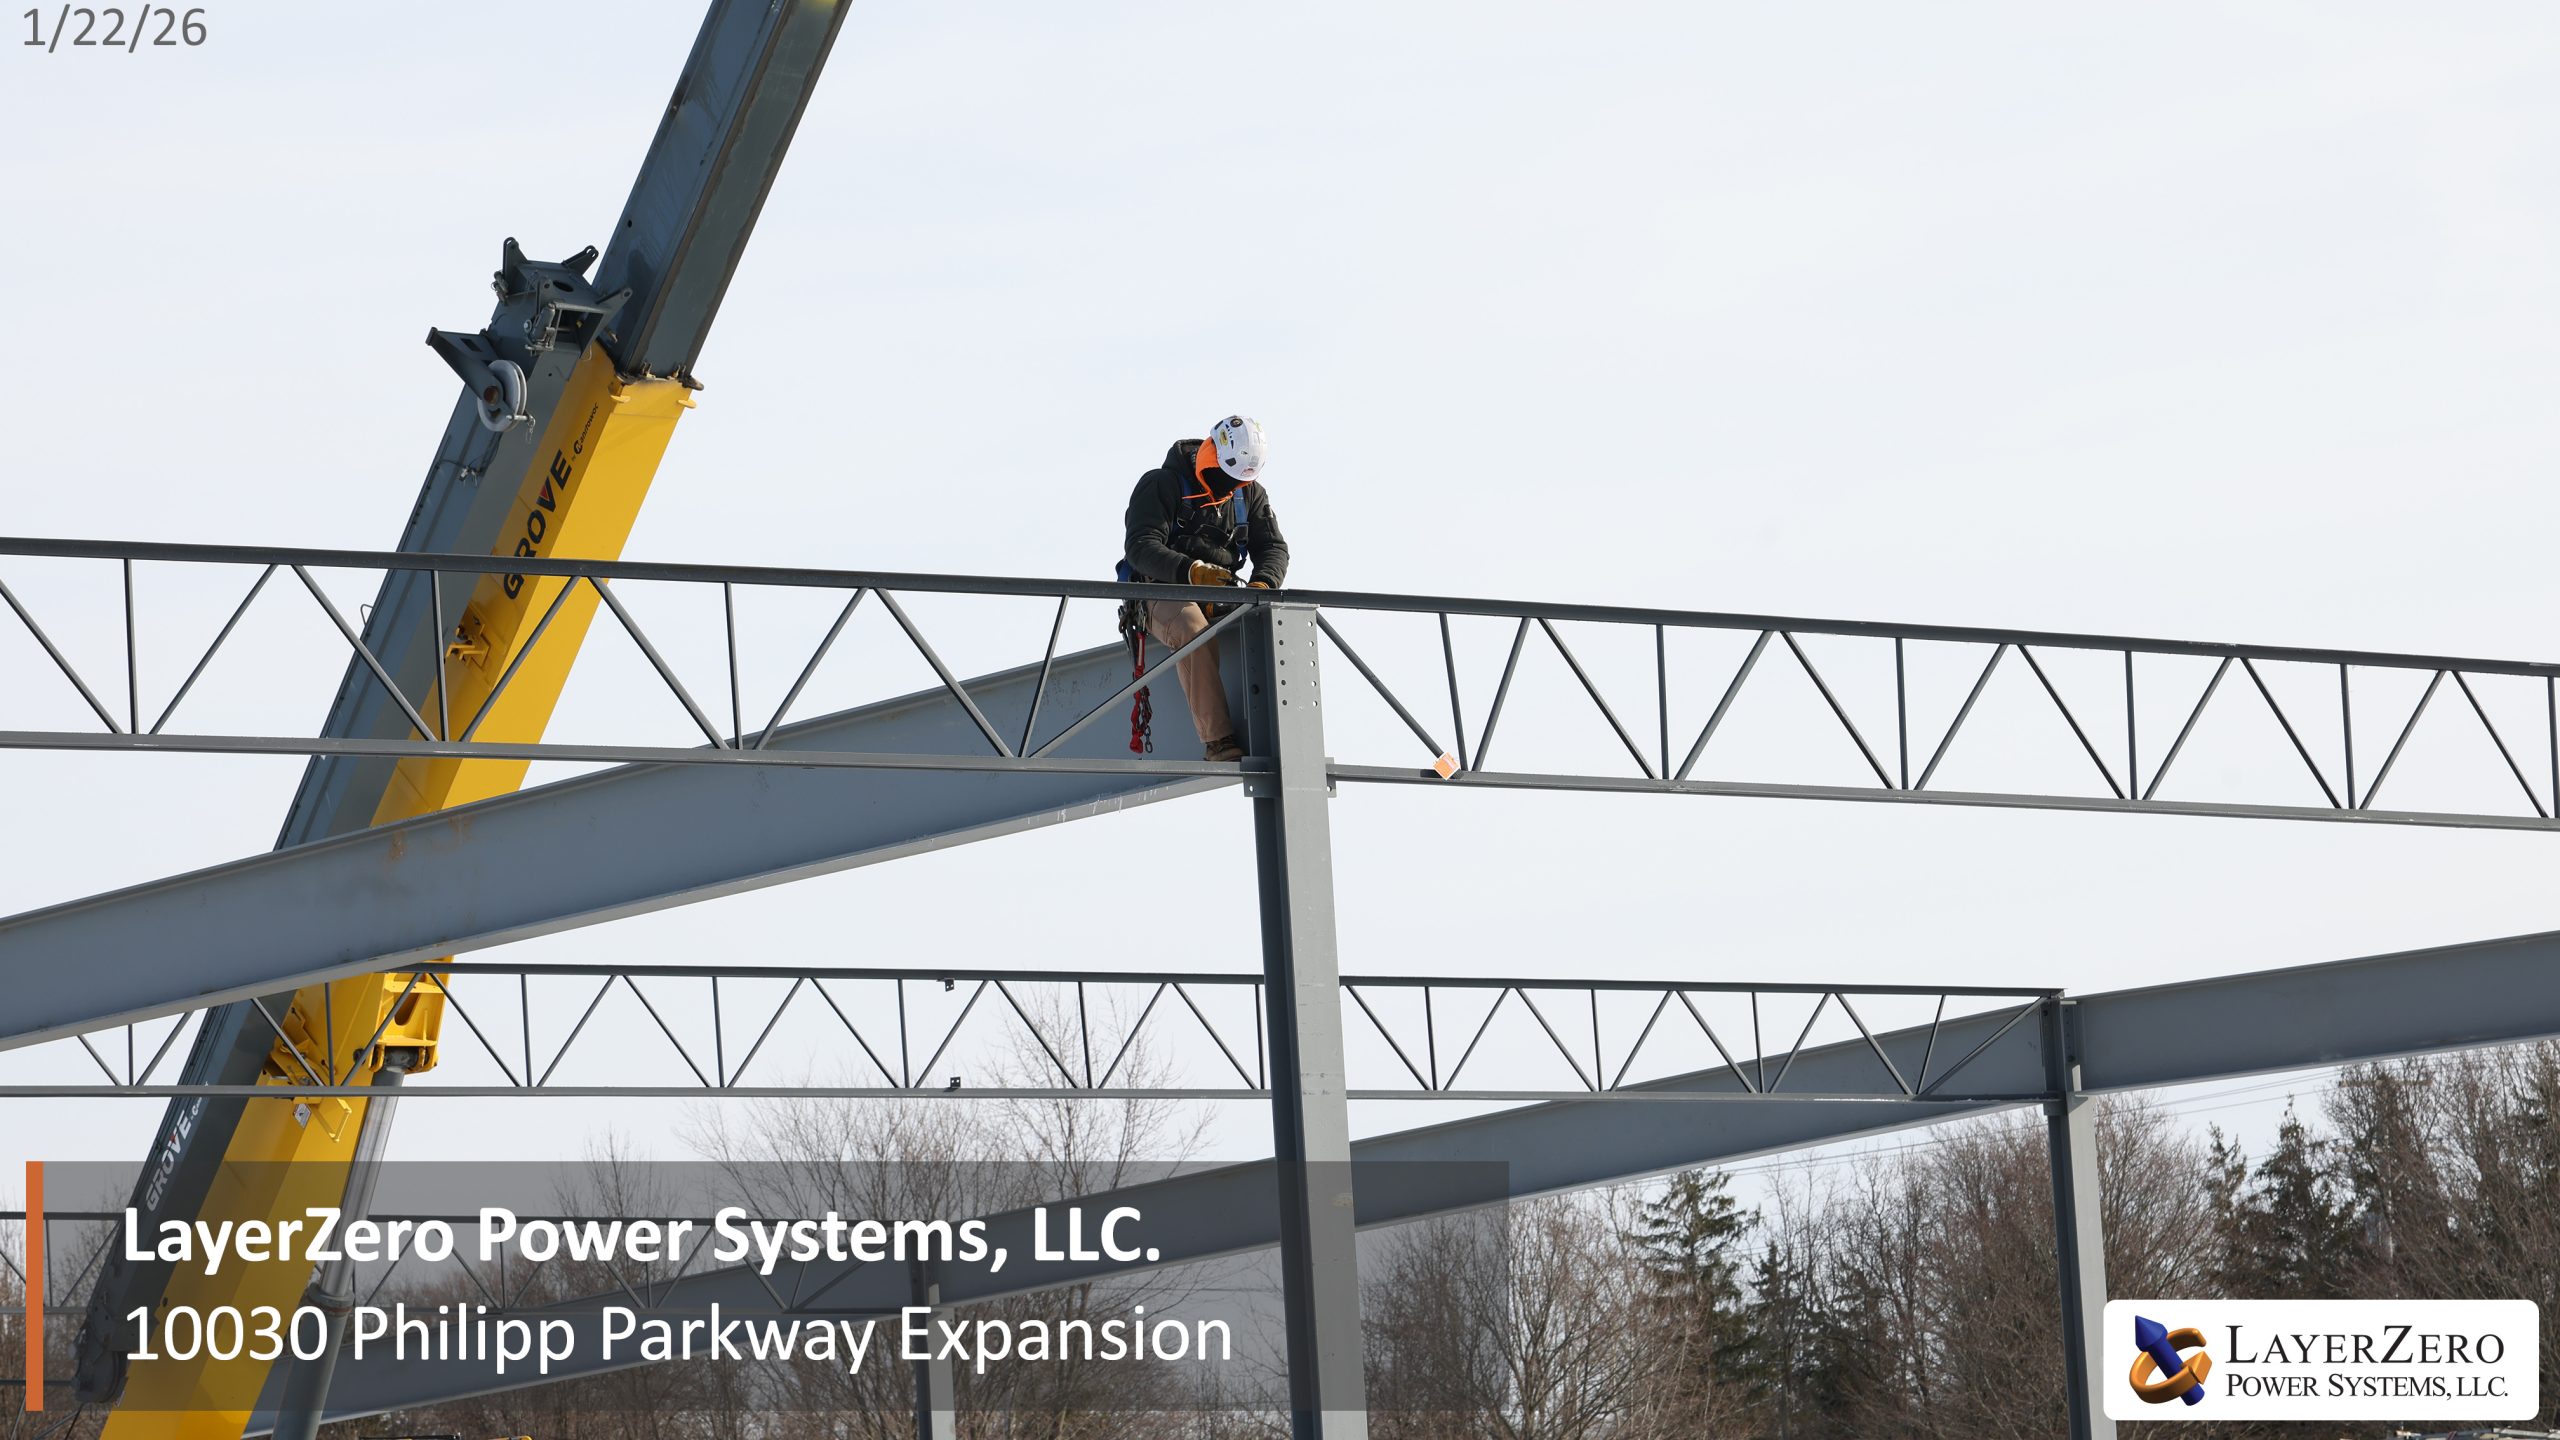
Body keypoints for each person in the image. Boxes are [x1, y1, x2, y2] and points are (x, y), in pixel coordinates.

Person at [1121, 415, 1289, 762]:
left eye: (1237, 482)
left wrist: (1261, 585)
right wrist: (1191, 571)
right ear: (1211, 454)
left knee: (1275, 626)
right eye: (1225, 479)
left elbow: (1273, 548)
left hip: (1218, 592)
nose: (1229, 489)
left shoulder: (1248, 494)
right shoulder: (1161, 485)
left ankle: (1288, 739)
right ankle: (1218, 740)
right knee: (1192, 630)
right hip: (1160, 591)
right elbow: (1140, 547)